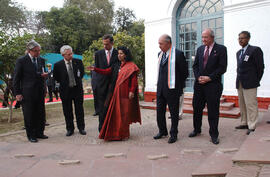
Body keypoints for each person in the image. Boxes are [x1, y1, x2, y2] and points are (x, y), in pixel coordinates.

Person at [90, 46, 141, 141]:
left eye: (121, 53)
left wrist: (131, 91)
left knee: (124, 114)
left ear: (126, 55)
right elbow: (106, 71)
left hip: (125, 94)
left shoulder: (131, 66)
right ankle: (115, 133)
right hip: (116, 93)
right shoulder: (116, 65)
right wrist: (95, 69)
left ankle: (124, 134)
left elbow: (134, 80)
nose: (119, 55)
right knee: (116, 114)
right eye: (118, 53)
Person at [189, 28, 227, 145]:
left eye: (205, 37)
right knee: (197, 108)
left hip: (213, 85)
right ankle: (197, 129)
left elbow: (222, 67)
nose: (203, 39)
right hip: (199, 85)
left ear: (212, 37)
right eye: (202, 37)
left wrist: (209, 78)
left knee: (213, 111)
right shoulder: (200, 49)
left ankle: (214, 134)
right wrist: (198, 77)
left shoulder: (221, 49)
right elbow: (195, 66)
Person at [153, 34, 188, 144]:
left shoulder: (178, 54)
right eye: (159, 43)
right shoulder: (160, 54)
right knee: (160, 112)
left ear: (168, 43)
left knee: (173, 113)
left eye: (161, 43)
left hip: (172, 89)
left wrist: (177, 86)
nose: (159, 46)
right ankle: (162, 131)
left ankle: (174, 134)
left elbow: (184, 73)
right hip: (161, 89)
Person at [13, 40, 48, 143]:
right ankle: (31, 135)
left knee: (40, 113)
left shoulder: (41, 60)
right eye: (36, 51)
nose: (38, 53)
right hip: (27, 93)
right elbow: (16, 78)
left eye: (39, 51)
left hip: (39, 91)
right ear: (29, 51)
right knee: (29, 114)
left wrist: (45, 86)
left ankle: (39, 132)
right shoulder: (21, 61)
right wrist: (17, 93)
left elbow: (42, 74)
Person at [235, 31, 264, 134]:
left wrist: (256, 80)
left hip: (250, 82)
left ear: (248, 39)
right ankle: (244, 122)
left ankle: (252, 125)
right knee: (242, 104)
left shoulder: (255, 50)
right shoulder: (238, 53)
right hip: (240, 82)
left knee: (251, 104)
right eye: (239, 38)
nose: (240, 40)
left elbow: (260, 68)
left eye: (242, 38)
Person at [53, 45, 86, 136]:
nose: (70, 55)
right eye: (68, 54)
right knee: (67, 111)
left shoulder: (78, 62)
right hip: (65, 91)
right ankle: (70, 129)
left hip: (77, 90)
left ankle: (81, 127)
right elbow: (56, 77)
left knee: (79, 110)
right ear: (63, 55)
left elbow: (82, 73)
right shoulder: (57, 65)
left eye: (71, 53)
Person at [94, 34, 120, 132]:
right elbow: (96, 70)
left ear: (112, 43)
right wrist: (96, 84)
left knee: (114, 107)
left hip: (114, 84)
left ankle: (114, 128)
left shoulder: (118, 53)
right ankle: (102, 128)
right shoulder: (98, 54)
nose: (105, 46)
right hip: (101, 85)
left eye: (107, 44)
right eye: (103, 44)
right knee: (102, 108)